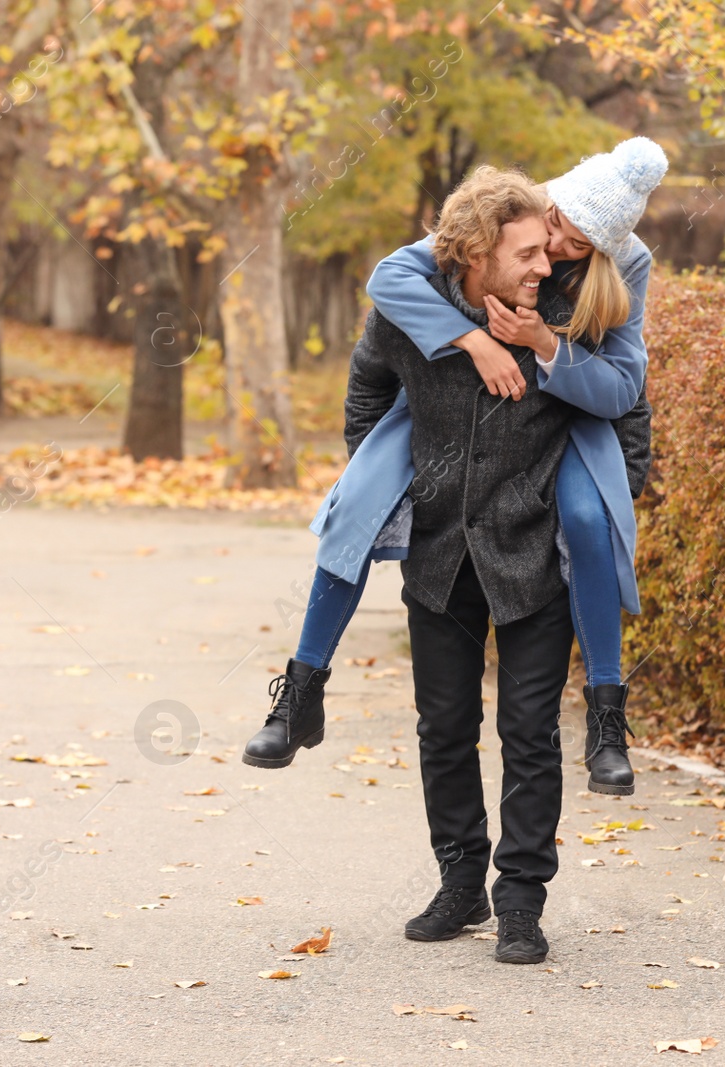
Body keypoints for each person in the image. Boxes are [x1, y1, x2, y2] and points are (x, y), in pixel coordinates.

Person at [243, 138, 666, 799]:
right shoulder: (512, 217)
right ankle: (299, 692)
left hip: (567, 408)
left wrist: (543, 343)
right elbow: (388, 279)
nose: (554, 246)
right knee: (355, 507)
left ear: (603, 252)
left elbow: (625, 385)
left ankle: (608, 714)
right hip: (439, 410)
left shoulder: (626, 266)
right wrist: (470, 339)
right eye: (555, 223)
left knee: (588, 516)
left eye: (576, 245)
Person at [326, 166, 645, 963]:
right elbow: (367, 391)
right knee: (445, 728)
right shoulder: (421, 303)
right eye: (537, 246)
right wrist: (385, 480)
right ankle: (461, 881)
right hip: (442, 550)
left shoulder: (583, 308)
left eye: (559, 248)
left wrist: (609, 496)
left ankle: (521, 901)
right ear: (487, 249)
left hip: (535, 550)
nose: (549, 260)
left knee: (528, 731)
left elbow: (627, 411)